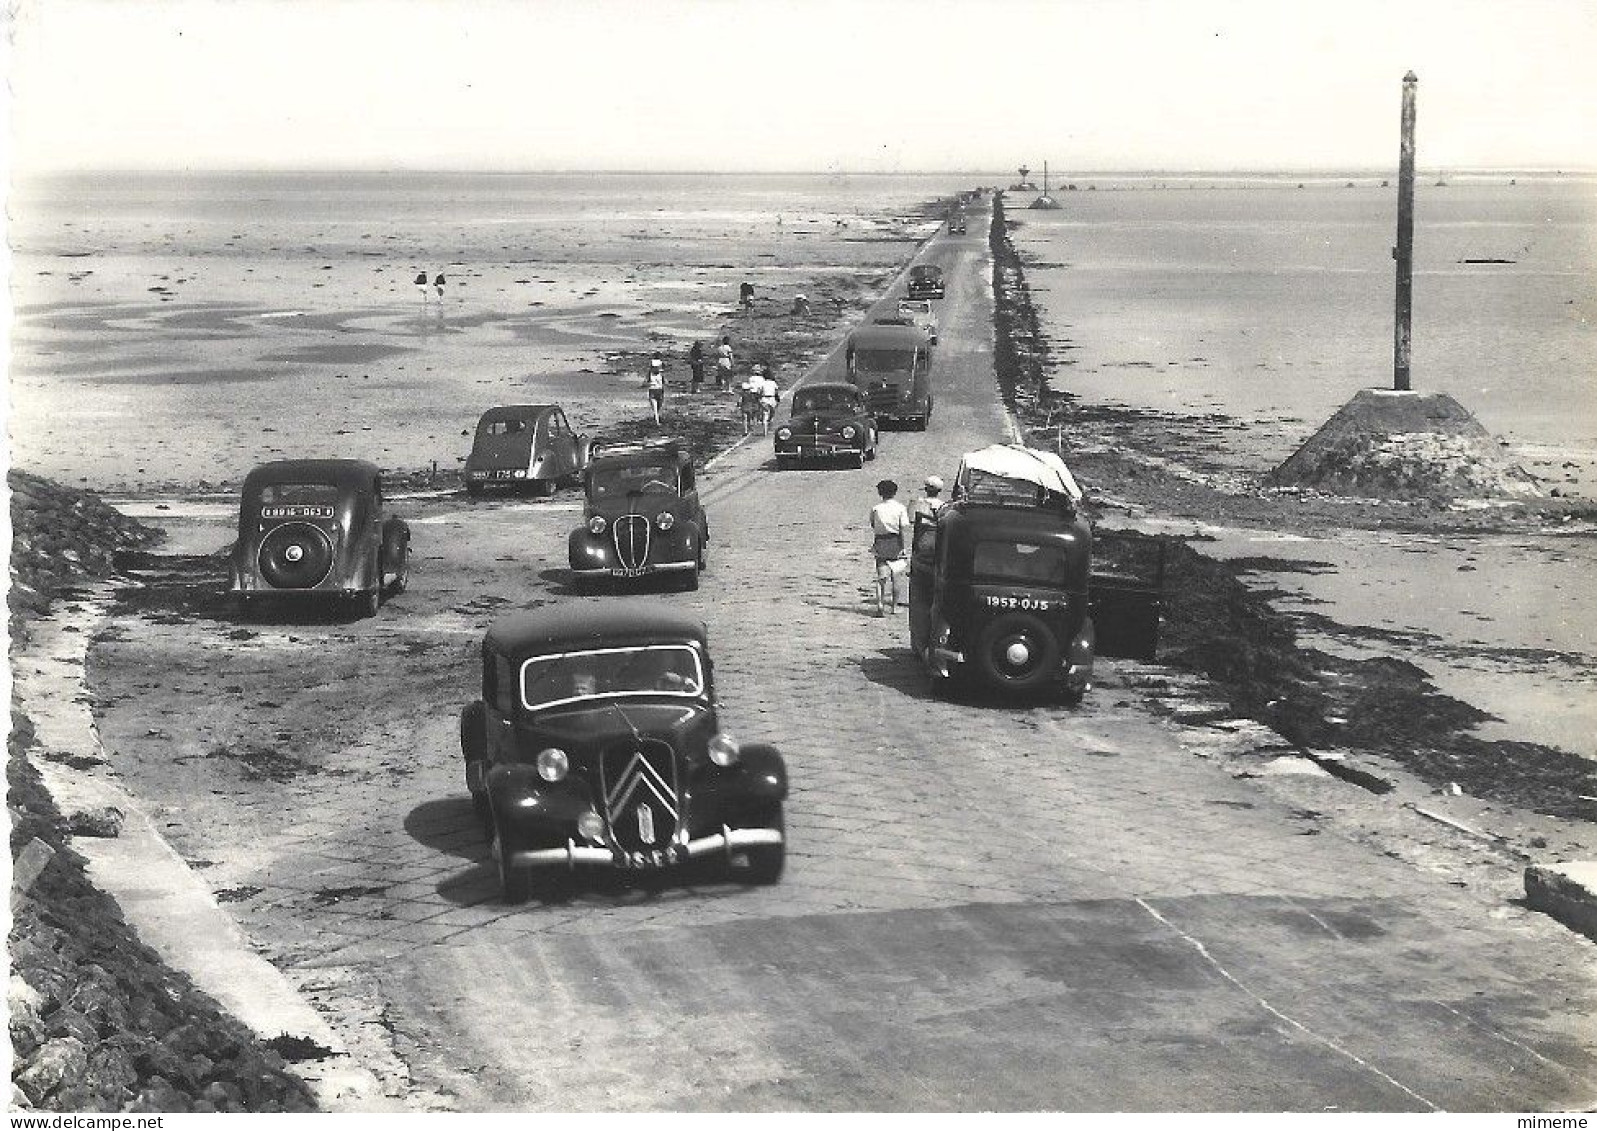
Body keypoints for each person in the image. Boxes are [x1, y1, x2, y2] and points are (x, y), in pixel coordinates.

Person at [869, 479, 912, 617]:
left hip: (880, 541)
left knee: (881, 576)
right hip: (895, 542)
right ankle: (894, 606)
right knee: (896, 577)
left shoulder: (876, 508)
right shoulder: (900, 508)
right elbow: (903, 528)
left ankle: (880, 604)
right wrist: (903, 547)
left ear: (880, 493)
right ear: (895, 492)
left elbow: (873, 525)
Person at [739, 366, 764, 434]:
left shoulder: (751, 378)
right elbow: (762, 388)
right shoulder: (761, 379)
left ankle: (747, 429)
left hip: (750, 395)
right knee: (756, 409)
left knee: (746, 417)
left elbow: (740, 400)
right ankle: (756, 422)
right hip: (756, 394)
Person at [758, 366, 781, 434]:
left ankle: (765, 429)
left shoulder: (762, 383)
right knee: (772, 413)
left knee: (765, 413)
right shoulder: (773, 383)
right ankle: (770, 424)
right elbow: (776, 391)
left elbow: (759, 391)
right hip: (772, 399)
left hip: (764, 399)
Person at [646, 353, 666, 426]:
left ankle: (656, 418)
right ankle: (657, 421)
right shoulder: (651, 373)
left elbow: (665, 382)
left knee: (657, 407)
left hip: (658, 390)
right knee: (656, 407)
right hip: (655, 390)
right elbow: (645, 382)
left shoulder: (660, 374)